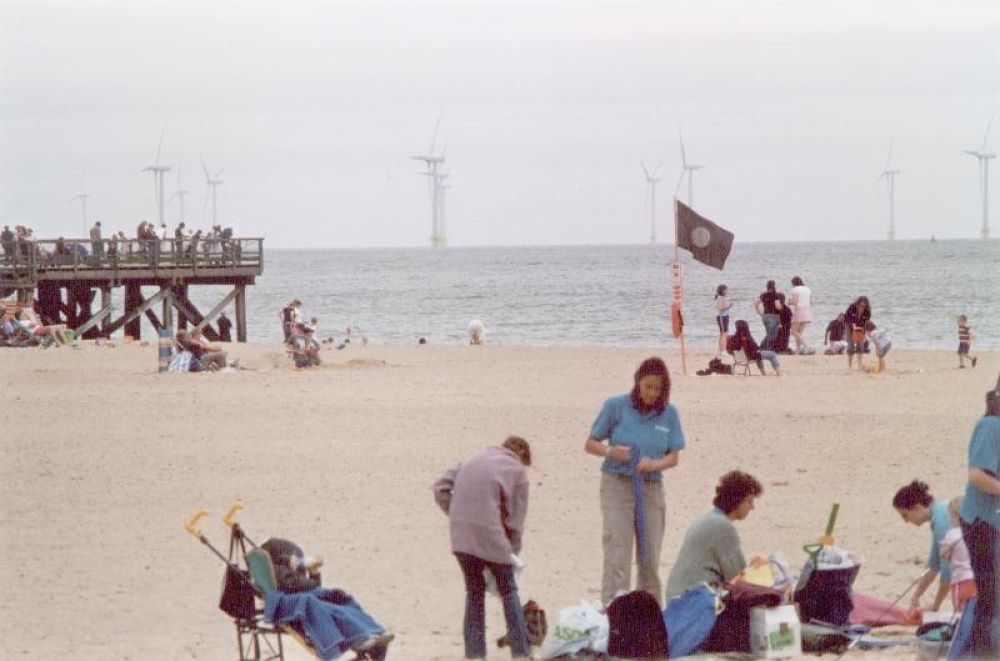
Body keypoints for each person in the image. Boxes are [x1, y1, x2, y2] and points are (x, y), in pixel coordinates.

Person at [584, 357, 686, 605]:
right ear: (638, 383)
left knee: (650, 556)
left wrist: (655, 463)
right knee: (618, 553)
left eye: (657, 389)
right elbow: (591, 444)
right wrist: (611, 451)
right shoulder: (615, 406)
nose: (651, 393)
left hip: (650, 485)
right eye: (647, 386)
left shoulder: (669, 414)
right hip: (617, 483)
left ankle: (649, 619)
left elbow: (673, 456)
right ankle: (613, 613)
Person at [433, 436, 534, 661]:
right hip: (492, 536)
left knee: (474, 591)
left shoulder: (471, 458)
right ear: (521, 453)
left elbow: (440, 487)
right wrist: (513, 550)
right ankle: (521, 652)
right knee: (508, 590)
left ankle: (474, 654)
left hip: (461, 535)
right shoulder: (516, 470)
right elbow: (515, 520)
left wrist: (458, 513)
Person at [259, 537, 394, 660]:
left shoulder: (284, 571)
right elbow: (296, 584)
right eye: (293, 557)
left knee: (342, 604)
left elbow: (308, 586)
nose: (296, 560)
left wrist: (313, 574)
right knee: (337, 611)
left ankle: (373, 632)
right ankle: (362, 637)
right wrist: (302, 565)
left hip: (311, 602)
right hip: (301, 606)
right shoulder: (277, 570)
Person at [665, 470, 763, 599]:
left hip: (679, 596)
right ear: (737, 501)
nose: (752, 507)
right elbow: (738, 578)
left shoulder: (708, 519)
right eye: (749, 501)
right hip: (694, 601)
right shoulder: (723, 527)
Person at [959, 383, 1000, 659]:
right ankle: (983, 650)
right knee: (990, 591)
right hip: (981, 521)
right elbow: (977, 475)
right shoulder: (991, 425)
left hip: (992, 519)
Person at [892, 480, 953, 614]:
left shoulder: (941, 520)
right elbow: (933, 564)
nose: (906, 521)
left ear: (917, 507)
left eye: (905, 515)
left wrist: (935, 605)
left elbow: (948, 573)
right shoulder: (939, 512)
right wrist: (916, 596)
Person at [940, 497, 977, 613]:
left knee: (960, 610)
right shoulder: (978, 534)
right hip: (977, 578)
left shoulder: (952, 534)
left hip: (960, 579)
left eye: (951, 516)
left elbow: (944, 554)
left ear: (957, 517)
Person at [753, 280, 784, 351]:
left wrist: (759, 312)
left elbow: (756, 303)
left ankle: (763, 348)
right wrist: (782, 308)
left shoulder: (763, 294)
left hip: (765, 316)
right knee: (772, 335)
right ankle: (769, 350)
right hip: (773, 316)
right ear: (774, 285)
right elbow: (778, 306)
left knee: (768, 333)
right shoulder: (775, 294)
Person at [844, 296, 872, 371]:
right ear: (857, 304)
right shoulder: (852, 307)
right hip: (849, 326)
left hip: (860, 327)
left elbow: (867, 323)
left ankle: (859, 366)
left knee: (860, 345)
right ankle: (849, 366)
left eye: (864, 306)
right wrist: (853, 326)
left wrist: (865, 333)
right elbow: (847, 317)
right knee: (851, 345)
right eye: (861, 305)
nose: (862, 307)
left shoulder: (868, 311)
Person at [788, 276, 812, 355]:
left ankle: (806, 345)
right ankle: (797, 352)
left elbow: (795, 302)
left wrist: (789, 302)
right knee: (799, 333)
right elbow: (809, 301)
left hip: (798, 310)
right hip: (807, 310)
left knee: (793, 332)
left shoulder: (795, 289)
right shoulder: (807, 289)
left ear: (794, 283)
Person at [714, 284, 732, 357]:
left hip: (724, 316)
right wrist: (729, 306)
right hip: (722, 316)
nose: (727, 291)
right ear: (723, 290)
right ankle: (723, 350)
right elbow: (720, 308)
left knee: (723, 333)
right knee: (723, 333)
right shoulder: (721, 298)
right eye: (726, 290)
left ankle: (722, 350)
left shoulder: (722, 298)